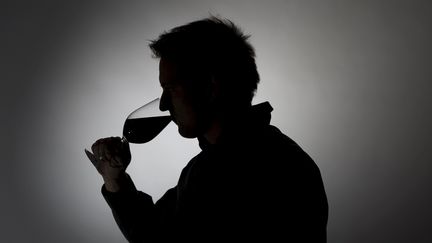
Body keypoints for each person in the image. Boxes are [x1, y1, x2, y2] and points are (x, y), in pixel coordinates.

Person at [85, 16, 328, 242]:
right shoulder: (205, 166)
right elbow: (154, 233)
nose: (162, 104)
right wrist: (114, 179)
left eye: (171, 88)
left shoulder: (273, 168)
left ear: (211, 87)